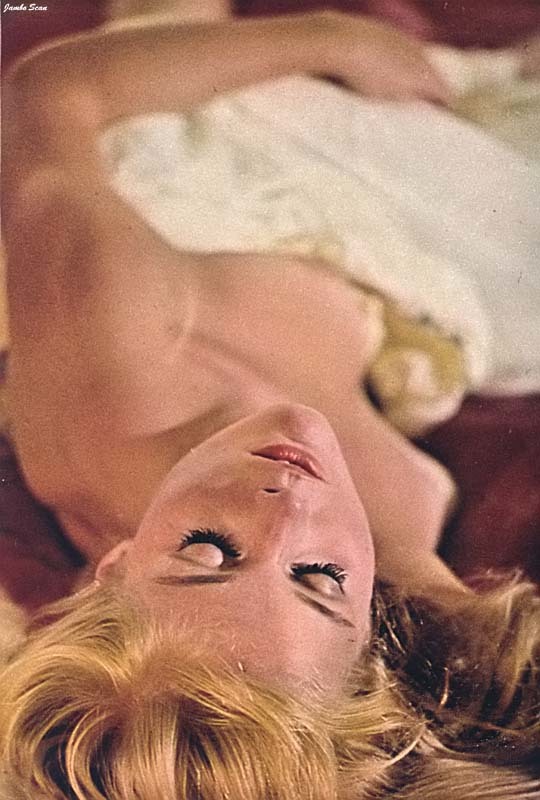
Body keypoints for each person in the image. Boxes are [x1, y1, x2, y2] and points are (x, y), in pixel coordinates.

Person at [0, 12, 538, 798]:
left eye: (208, 552)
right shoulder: (354, 626)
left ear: (112, 570)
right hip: (413, 300)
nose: (288, 509)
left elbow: (47, 96)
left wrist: (337, 37)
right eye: (316, 577)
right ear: (370, 645)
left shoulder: (113, 352)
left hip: (242, 173)